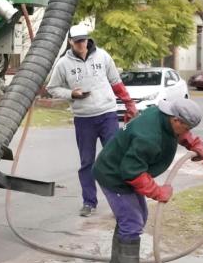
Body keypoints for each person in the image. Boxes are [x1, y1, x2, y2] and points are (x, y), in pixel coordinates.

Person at [92, 98, 203, 263]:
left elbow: (176, 133)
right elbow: (131, 171)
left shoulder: (162, 115)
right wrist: (158, 191)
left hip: (123, 170)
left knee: (136, 217)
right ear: (176, 120)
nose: (186, 131)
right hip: (114, 175)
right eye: (186, 127)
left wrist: (194, 143)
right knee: (131, 222)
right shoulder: (148, 136)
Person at [47, 23, 138, 217]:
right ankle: (89, 202)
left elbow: (116, 82)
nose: (82, 44)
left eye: (84, 40)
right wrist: (71, 93)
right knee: (87, 162)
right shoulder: (63, 64)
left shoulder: (103, 56)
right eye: (77, 41)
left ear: (88, 39)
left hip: (107, 114)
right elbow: (52, 88)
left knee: (114, 158)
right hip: (84, 118)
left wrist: (129, 103)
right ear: (70, 42)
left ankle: (122, 202)